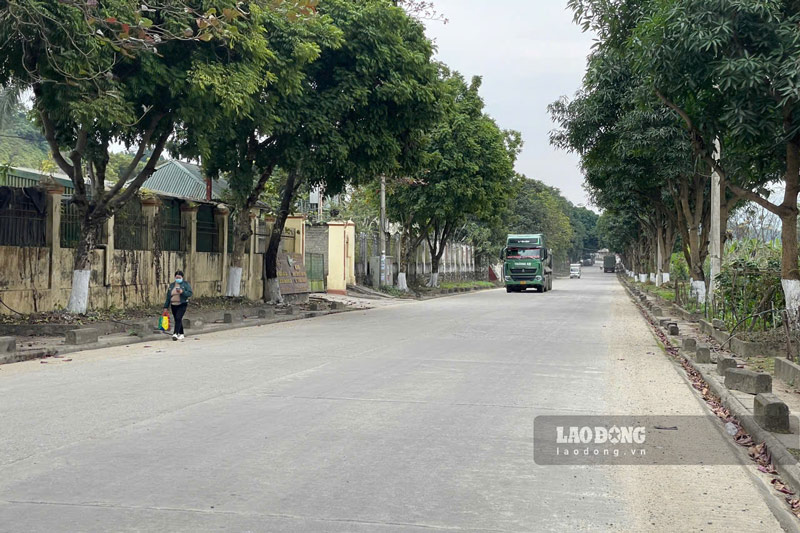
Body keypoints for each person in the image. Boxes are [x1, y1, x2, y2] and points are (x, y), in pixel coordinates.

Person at [164, 270, 193, 341]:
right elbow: (168, 297)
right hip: (173, 304)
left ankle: (175, 334)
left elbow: (189, 293)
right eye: (177, 277)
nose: (178, 279)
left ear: (182, 277)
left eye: (179, 277)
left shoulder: (185, 284)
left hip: (182, 304)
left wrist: (182, 292)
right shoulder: (172, 285)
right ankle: (182, 333)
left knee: (178, 317)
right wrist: (165, 307)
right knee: (177, 319)